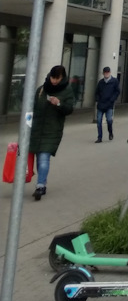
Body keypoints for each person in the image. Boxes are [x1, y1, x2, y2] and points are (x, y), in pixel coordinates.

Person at [28, 65, 74, 200]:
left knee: (43, 157)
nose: (54, 81)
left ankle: (40, 186)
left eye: (57, 78)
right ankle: (42, 182)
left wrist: (59, 104)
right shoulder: (42, 89)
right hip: (36, 129)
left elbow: (69, 109)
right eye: (53, 77)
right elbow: (33, 107)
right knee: (39, 156)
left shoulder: (67, 90)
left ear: (62, 77)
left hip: (52, 130)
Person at [94, 65, 120, 142]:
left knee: (109, 120)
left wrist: (112, 99)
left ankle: (110, 132)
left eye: (108, 72)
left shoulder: (114, 81)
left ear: (110, 72)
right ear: (103, 73)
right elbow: (97, 92)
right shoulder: (101, 82)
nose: (106, 74)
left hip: (109, 104)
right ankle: (99, 137)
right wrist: (97, 99)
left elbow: (117, 91)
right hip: (101, 104)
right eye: (105, 72)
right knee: (99, 121)